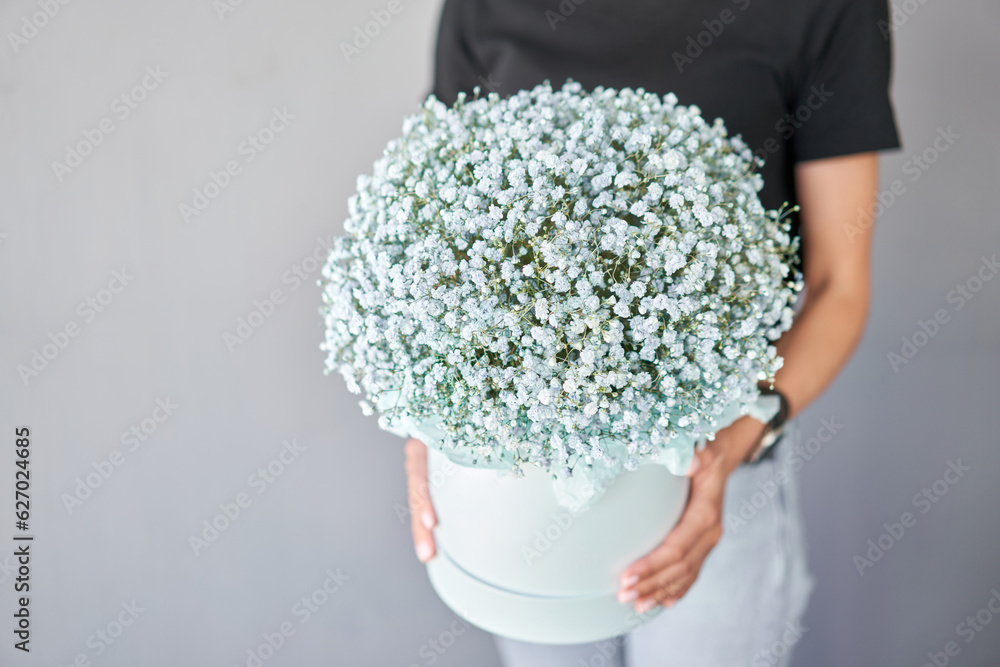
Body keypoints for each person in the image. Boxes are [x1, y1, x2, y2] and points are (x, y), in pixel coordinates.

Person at [405, 0, 901, 664]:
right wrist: (429, 418)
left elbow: (838, 286)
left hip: (712, 476)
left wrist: (733, 440)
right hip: (520, 482)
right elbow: (442, 238)